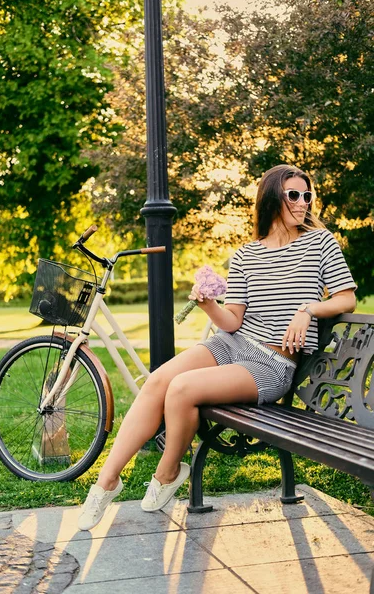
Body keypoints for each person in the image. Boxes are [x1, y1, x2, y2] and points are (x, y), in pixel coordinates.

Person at [78, 164, 356, 531]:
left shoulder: (319, 242)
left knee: (182, 389)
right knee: (158, 382)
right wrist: (209, 304)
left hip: (272, 364)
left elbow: (346, 299)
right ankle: (106, 482)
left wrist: (307, 309)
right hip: (233, 342)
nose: (302, 202)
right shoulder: (246, 255)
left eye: (307, 195)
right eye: (294, 195)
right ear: (273, 198)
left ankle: (168, 471)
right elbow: (233, 322)